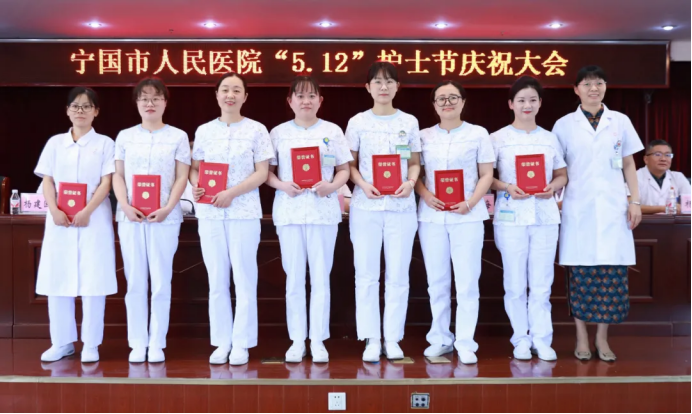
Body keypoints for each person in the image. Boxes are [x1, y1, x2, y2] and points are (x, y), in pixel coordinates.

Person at [552, 65, 644, 362]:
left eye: (599, 83)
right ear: (576, 89)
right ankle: (581, 336)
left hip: (613, 208)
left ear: (605, 87)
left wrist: (635, 201)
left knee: (610, 275)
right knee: (580, 275)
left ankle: (602, 338)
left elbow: (628, 163)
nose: (594, 88)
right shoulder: (564, 125)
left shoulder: (620, 121)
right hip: (577, 208)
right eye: (587, 83)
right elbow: (557, 168)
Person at [266, 76, 352, 364]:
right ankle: (296, 339)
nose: (306, 101)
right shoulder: (278, 133)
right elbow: (266, 173)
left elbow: (344, 169)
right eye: (300, 96)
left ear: (320, 101)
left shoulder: (332, 131)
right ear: (290, 101)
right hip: (289, 212)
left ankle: (317, 339)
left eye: (311, 96)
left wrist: (332, 186)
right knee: (293, 278)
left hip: (322, 213)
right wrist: (282, 185)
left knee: (320, 278)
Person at [190, 73, 274, 366]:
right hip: (210, 213)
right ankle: (221, 341)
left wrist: (231, 193)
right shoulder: (204, 131)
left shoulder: (257, 130)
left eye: (236, 90)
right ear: (216, 95)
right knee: (216, 279)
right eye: (225, 89)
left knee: (244, 277)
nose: (230, 95)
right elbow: (195, 169)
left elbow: (262, 173)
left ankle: (242, 342)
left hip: (243, 212)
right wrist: (196, 185)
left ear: (245, 96)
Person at [35, 87, 117, 364]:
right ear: (67, 111)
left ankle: (91, 343)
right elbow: (48, 180)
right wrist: (54, 210)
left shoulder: (105, 143)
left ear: (96, 111)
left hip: (93, 218)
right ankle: (62, 342)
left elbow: (107, 182)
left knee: (94, 280)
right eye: (75, 106)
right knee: (58, 278)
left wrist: (87, 211)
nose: (80, 111)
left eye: (86, 106)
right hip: (60, 219)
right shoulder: (55, 143)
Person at [415, 81, 495, 365]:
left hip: (467, 216)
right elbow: (415, 174)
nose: (447, 103)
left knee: (467, 281)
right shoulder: (423, 136)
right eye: (441, 99)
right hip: (432, 216)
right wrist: (426, 195)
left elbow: (486, 174)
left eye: (453, 97)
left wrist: (471, 202)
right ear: (434, 105)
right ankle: (440, 338)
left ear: (463, 101)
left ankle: (465, 342)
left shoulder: (478, 134)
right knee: (436, 282)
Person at [346, 61, 421, 362]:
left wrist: (410, 182)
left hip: (401, 207)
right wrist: (363, 184)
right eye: (377, 81)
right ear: (368, 87)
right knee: (366, 274)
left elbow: (414, 162)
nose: (383, 87)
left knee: (398, 273)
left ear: (397, 87)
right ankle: (371, 338)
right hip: (366, 206)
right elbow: (349, 165)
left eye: (389, 81)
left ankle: (392, 337)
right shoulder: (357, 122)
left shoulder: (410, 122)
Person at [113, 77, 191, 364]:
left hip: (164, 218)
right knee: (135, 281)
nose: (150, 103)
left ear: (165, 103)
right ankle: (137, 342)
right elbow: (118, 175)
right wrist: (124, 205)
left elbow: (182, 176)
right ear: (137, 103)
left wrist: (169, 207)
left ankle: (157, 342)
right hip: (130, 217)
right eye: (144, 98)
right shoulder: (124, 136)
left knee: (160, 281)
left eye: (156, 98)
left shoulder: (178, 136)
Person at [490, 76, 568, 362]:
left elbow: (562, 174)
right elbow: (486, 178)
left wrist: (553, 186)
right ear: (511, 104)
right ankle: (520, 339)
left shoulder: (550, 138)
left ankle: (542, 338)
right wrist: (507, 186)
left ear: (540, 104)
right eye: (521, 100)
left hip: (545, 216)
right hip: (510, 217)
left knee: (542, 282)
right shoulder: (497, 138)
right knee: (514, 282)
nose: (527, 105)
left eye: (532, 100)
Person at [637, 140, 691, 214]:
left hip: (674, 221)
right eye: (657, 154)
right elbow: (630, 206)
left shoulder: (678, 177)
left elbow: (689, 204)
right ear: (646, 159)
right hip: (643, 221)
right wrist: (664, 208)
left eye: (668, 155)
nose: (663, 159)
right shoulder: (635, 177)